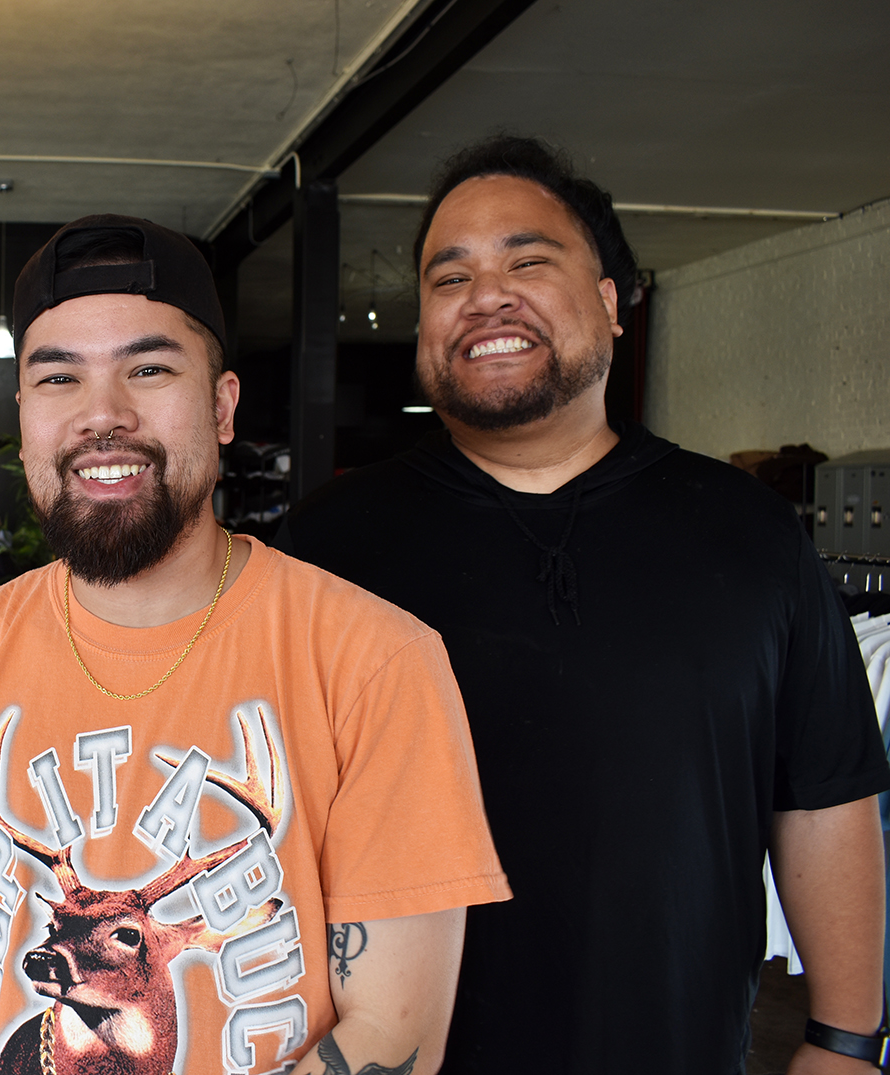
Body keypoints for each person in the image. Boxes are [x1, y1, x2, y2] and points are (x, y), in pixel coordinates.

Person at [278, 136, 890, 1075]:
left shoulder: (749, 533)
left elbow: (822, 791)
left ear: (610, 302)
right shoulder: (327, 548)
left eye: (527, 262)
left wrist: (844, 1038)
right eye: (450, 278)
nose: (486, 296)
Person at [0, 214, 511, 1075]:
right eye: (59, 378)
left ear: (223, 406)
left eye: (149, 369)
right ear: (25, 415)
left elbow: (391, 1031)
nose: (102, 415)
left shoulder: (378, 661)